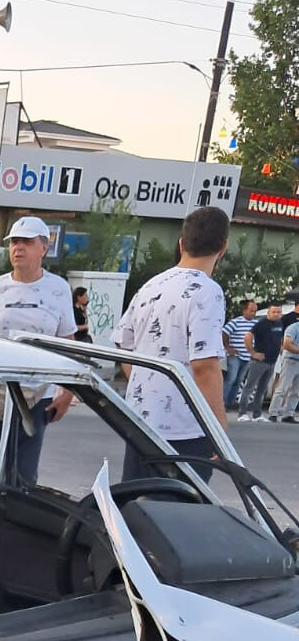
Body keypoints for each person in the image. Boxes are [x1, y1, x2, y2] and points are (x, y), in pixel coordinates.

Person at [0, 216, 75, 514]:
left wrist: (67, 393)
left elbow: (68, 342)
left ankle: (6, 545)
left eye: (26, 242)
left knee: (22, 480)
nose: (18, 248)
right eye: (14, 242)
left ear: (44, 248)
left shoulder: (59, 289)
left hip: (35, 399)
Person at [113, 204, 229, 482]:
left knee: (138, 509)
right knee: (177, 512)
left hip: (140, 422)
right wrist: (219, 430)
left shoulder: (151, 286)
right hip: (185, 430)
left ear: (181, 243)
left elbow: (122, 346)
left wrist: (144, 385)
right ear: (222, 248)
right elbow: (204, 367)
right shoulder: (208, 292)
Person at [241, 303, 285, 420]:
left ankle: (257, 414)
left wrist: (280, 348)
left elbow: (280, 338)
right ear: (268, 313)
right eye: (273, 312)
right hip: (259, 361)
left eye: (278, 312)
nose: (276, 314)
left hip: (272, 361)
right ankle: (242, 413)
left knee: (262, 389)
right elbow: (247, 337)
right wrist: (253, 353)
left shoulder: (280, 323)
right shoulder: (262, 323)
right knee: (249, 387)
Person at [222, 298, 257, 410]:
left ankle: (231, 403)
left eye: (255, 311)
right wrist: (228, 347)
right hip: (235, 356)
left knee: (239, 380)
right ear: (244, 311)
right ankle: (222, 402)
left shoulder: (256, 324)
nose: (253, 313)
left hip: (248, 356)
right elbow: (224, 333)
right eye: (251, 311)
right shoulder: (235, 322)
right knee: (231, 379)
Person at [268, 317, 299, 423]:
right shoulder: (293, 328)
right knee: (282, 388)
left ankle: (288, 414)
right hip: (291, 360)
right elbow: (287, 344)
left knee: (296, 391)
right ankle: (273, 413)